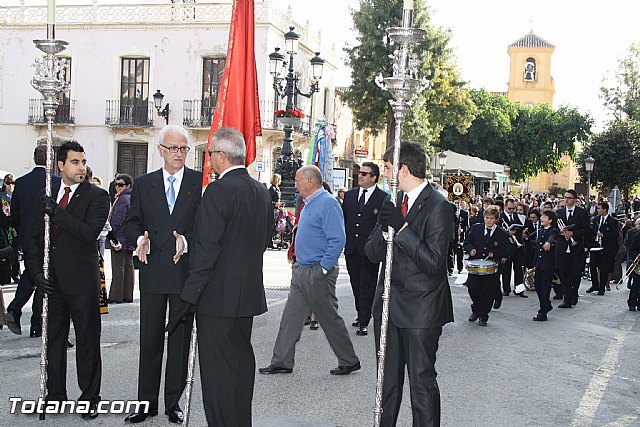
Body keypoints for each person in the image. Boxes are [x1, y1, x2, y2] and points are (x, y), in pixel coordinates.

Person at [167, 127, 273, 426]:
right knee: (240, 365)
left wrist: (188, 297)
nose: (208, 159)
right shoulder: (260, 191)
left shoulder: (218, 190)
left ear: (222, 156)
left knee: (217, 376)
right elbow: (263, 240)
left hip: (216, 299)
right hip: (246, 294)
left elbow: (207, 251)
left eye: (210, 153)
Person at [364, 142, 454, 427]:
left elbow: (433, 262)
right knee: (386, 384)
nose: (385, 173)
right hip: (388, 307)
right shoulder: (394, 203)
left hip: (421, 310)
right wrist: (385, 229)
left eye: (388, 168)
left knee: (421, 382)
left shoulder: (439, 206)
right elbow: (372, 253)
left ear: (403, 169)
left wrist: (402, 229)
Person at [124, 125, 202, 424]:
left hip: (184, 273)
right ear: (160, 150)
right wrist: (139, 239)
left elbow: (205, 227)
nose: (179, 154)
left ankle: (173, 403)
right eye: (173, 148)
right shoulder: (144, 184)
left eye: (183, 149)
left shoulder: (198, 182)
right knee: (151, 339)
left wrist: (187, 240)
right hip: (153, 271)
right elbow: (132, 221)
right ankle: (146, 404)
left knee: (180, 340)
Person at [27, 141, 110, 419]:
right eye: (75, 162)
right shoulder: (46, 195)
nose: (81, 167)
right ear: (60, 165)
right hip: (52, 284)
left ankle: (89, 398)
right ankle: (56, 397)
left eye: (83, 162)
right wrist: (36, 273)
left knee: (87, 343)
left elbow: (88, 232)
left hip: (83, 284)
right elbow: (33, 239)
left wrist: (56, 211)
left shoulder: (98, 197)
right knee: (54, 343)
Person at [260, 165, 360, 376]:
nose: (295, 185)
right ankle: (281, 361)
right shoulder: (307, 203)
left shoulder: (328, 203)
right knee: (290, 318)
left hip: (316, 271)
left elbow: (337, 239)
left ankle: (349, 360)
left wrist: (323, 268)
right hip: (301, 269)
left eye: (298, 181)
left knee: (328, 318)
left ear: (310, 181)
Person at [5, 145, 61, 337]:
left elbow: (14, 214)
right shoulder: (56, 182)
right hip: (51, 237)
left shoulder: (21, 183)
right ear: (51, 160)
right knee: (45, 277)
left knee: (32, 273)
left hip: (27, 237)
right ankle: (36, 322)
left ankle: (17, 310)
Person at [342, 161, 386, 336]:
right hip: (352, 247)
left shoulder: (382, 198)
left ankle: (364, 320)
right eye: (359, 173)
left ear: (374, 178)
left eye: (364, 174)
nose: (359, 176)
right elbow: (344, 220)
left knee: (368, 284)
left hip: (370, 250)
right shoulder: (350, 196)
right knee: (355, 283)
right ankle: (361, 312)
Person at [463, 205, 509, 326]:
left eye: (491, 218)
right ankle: (476, 309)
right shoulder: (476, 229)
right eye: (487, 218)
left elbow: (505, 250)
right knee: (472, 288)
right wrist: (471, 249)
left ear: (496, 220)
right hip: (475, 266)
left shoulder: (502, 233)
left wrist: (494, 253)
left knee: (487, 292)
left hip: (490, 268)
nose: (489, 220)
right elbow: (466, 242)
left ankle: (483, 315)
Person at [555, 190, 590, 307]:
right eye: (565, 197)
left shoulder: (582, 213)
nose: (566, 200)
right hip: (563, 248)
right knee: (564, 274)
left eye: (569, 198)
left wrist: (573, 234)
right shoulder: (558, 213)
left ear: (575, 199)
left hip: (576, 248)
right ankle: (566, 299)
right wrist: (560, 232)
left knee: (575, 273)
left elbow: (587, 230)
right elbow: (553, 229)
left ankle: (574, 294)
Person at [107, 173, 134, 304]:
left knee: (118, 267)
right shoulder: (131, 197)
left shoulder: (123, 199)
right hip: (128, 236)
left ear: (128, 185)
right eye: (116, 184)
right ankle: (127, 294)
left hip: (120, 236)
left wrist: (110, 232)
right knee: (128, 266)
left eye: (120, 185)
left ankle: (116, 295)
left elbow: (117, 219)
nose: (117, 187)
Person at [587, 201, 620, 295]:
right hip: (595, 246)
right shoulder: (596, 219)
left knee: (604, 268)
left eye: (599, 208)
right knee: (592, 265)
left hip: (606, 247)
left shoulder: (612, 221)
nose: (598, 210)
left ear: (605, 209)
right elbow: (592, 232)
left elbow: (615, 234)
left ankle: (602, 287)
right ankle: (595, 284)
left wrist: (604, 235)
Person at [532, 211, 559, 321]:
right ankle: (546, 305)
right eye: (542, 216)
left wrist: (549, 242)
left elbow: (553, 237)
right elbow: (537, 249)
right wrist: (534, 264)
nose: (542, 218)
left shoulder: (553, 230)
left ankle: (543, 312)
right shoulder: (541, 230)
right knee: (538, 286)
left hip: (548, 264)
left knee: (545, 287)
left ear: (551, 220)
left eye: (545, 217)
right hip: (539, 264)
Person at [499, 198, 528, 298]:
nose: (512, 210)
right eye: (509, 208)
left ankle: (519, 290)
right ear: (505, 207)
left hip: (518, 246)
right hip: (507, 247)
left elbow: (522, 227)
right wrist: (507, 233)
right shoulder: (500, 217)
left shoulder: (518, 216)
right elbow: (497, 231)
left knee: (519, 269)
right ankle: (506, 289)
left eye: (513, 208)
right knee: (506, 269)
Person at [0, 173, 19, 283]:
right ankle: (7, 273)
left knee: (15, 251)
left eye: (13, 183)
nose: (11, 185)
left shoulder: (17, 194)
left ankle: (15, 272)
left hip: (15, 225)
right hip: (4, 226)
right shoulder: (2, 196)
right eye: (8, 183)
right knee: (7, 249)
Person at [450, 196, 469, 275]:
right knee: (451, 252)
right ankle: (450, 269)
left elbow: (467, 225)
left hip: (460, 235)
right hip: (452, 234)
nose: (457, 204)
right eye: (455, 203)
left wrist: (462, 230)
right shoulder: (450, 212)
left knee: (460, 252)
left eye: (458, 203)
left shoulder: (464, 213)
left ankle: (460, 268)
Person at [626, 221, 640, 311]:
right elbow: (632, 250)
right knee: (635, 285)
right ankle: (632, 303)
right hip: (638, 263)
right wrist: (637, 257)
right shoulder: (636, 236)